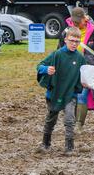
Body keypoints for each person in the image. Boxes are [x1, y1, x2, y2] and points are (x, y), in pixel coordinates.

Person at [37, 27, 87, 155]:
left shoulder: (80, 58)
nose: (74, 43)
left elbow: (84, 76)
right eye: (71, 40)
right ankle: (45, 144)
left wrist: (86, 82)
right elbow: (40, 66)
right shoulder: (57, 54)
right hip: (55, 93)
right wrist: (46, 69)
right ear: (65, 39)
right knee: (51, 119)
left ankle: (69, 147)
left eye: (77, 41)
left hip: (70, 94)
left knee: (70, 120)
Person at [58, 7, 94, 131]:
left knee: (82, 96)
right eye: (74, 21)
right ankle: (71, 122)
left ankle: (78, 125)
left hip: (89, 70)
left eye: (78, 21)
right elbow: (59, 50)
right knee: (71, 96)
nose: (76, 23)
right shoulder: (66, 32)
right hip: (71, 68)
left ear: (84, 18)